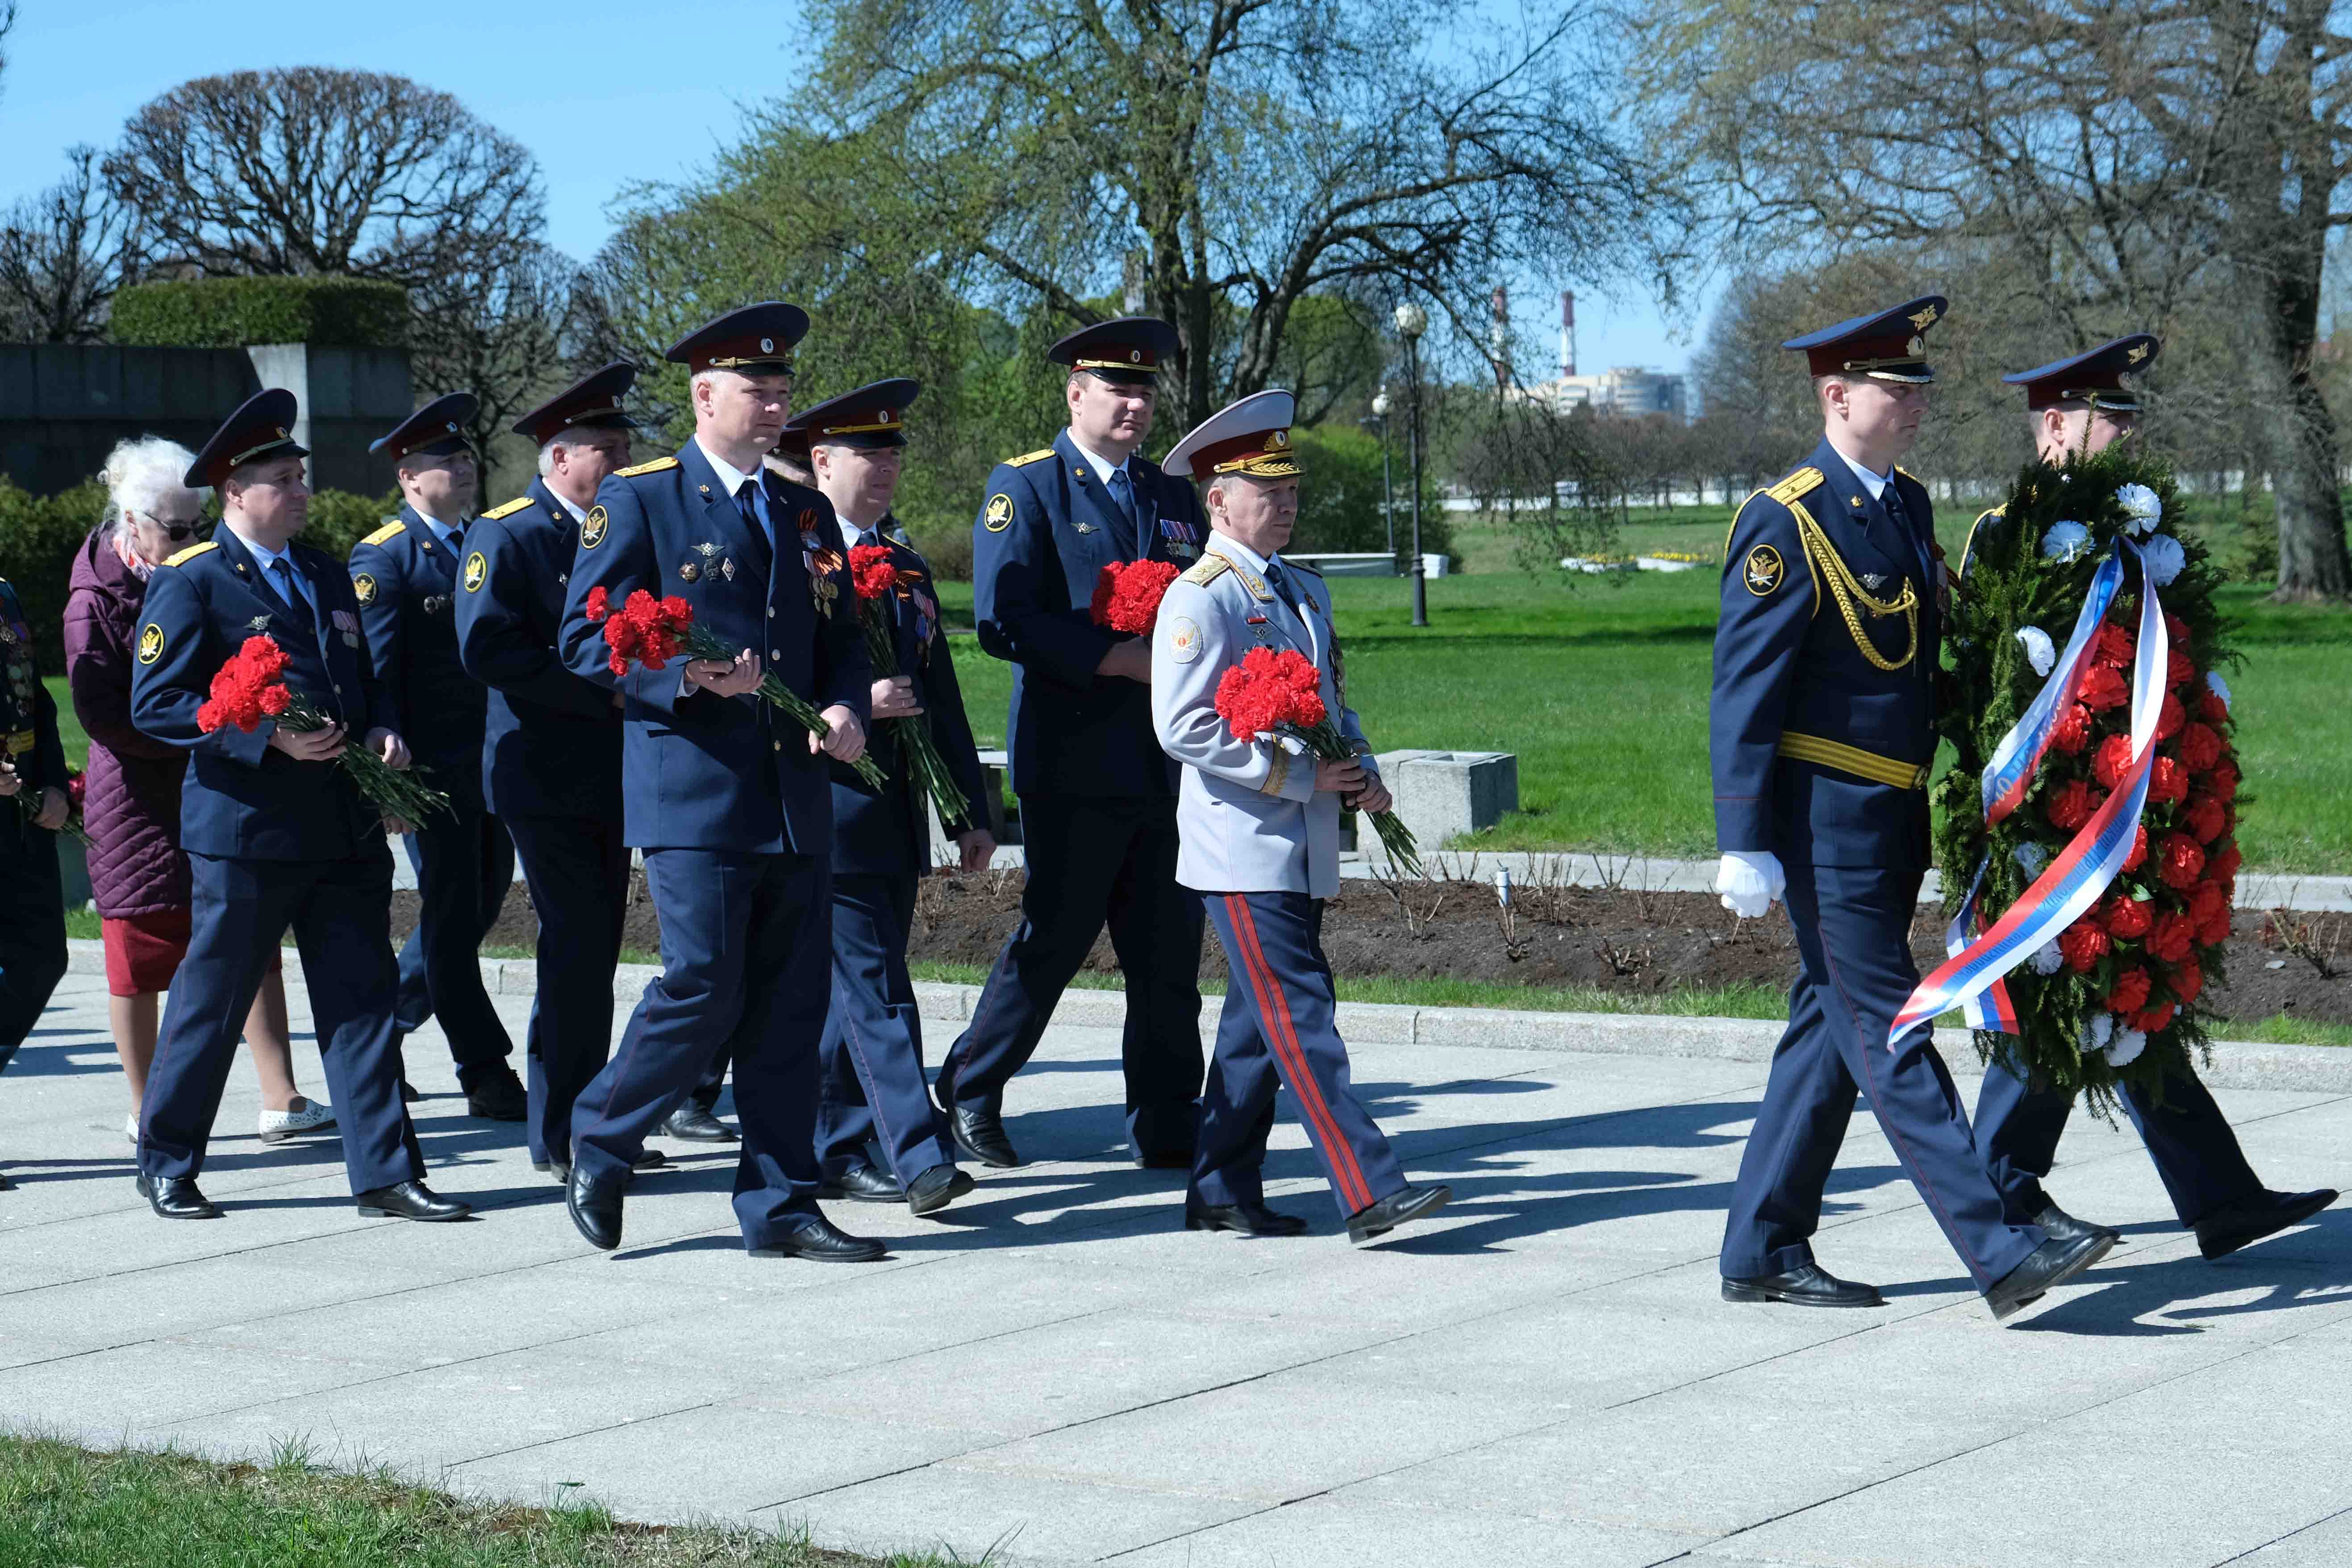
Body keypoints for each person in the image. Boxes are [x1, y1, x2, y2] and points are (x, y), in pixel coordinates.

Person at [1711, 297, 2105, 1322]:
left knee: (1827, 1023)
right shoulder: (1785, 520)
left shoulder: (1904, 507)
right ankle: (1998, 1246)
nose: (1915, 400)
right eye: (1897, 385)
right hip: (1819, 817)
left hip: (1891, 812)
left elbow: (1923, 663)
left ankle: (1761, 1241)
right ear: (1837, 396)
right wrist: (1742, 837)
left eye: (1920, 385)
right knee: (1890, 1024)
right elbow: (1744, 688)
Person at [1965, 334, 2336, 1260]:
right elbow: (1999, 686)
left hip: (2139, 795)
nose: (2128, 428)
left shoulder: (2137, 530)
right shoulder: (2010, 529)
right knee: (2061, 988)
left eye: (2131, 413)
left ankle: (2220, 1196)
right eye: (2110, 414)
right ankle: (1997, 1193)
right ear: (2055, 421)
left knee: (2139, 987)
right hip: (2058, 811)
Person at [555, 301, 881, 1260]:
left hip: (796, 794)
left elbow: (842, 640)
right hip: (694, 788)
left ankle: (781, 1202)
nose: (776, 405)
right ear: (704, 396)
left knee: (790, 1002)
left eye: (784, 391)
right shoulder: (642, 497)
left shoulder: (803, 506)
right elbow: (583, 636)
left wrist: (849, 706)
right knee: (702, 982)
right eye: (756, 390)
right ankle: (602, 1131)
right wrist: (684, 674)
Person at [129, 388, 465, 1222]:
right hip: (247, 829)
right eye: (284, 478)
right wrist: (262, 738)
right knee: (211, 1002)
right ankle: (168, 1161)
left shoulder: (325, 571)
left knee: (361, 1000)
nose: (303, 490)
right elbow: (158, 702)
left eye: (301, 475)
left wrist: (384, 729)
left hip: (342, 824)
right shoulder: (194, 580)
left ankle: (385, 1173)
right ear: (235, 493)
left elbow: (367, 677)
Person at [1151, 390, 1452, 1243]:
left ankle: (1217, 1188)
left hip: (1303, 838)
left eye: (1291, 489)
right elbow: (1183, 726)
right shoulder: (1200, 597)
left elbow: (1328, 698)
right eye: (1265, 489)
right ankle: (1368, 1189)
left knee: (1256, 1028)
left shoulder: (1302, 588)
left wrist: (1361, 773)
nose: (1284, 504)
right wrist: (1299, 776)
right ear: (1218, 500)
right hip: (1242, 844)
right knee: (1299, 1013)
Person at [936, 317, 1210, 1171]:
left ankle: (1167, 1121)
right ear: (1076, 394)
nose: (1135, 404)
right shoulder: (1030, 487)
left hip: (1166, 761)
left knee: (1167, 952)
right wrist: (1111, 657)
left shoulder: (1169, 497)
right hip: (1074, 758)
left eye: (1146, 390)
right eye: (1118, 388)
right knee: (1053, 940)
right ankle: (971, 1088)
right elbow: (1001, 620)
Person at [64, 437, 331, 1147]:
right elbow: (105, 710)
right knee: (140, 949)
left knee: (248, 935)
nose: (189, 539)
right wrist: (207, 740)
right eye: (176, 529)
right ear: (132, 523)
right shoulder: (94, 599)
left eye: (196, 525)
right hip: (140, 788)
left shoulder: (204, 573)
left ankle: (281, 1092)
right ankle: (147, 1104)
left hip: (215, 772)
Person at [457, 363, 678, 1183]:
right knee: (576, 947)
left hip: (616, 770)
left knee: (596, 948)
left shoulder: (627, 524)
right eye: (605, 448)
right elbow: (487, 648)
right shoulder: (510, 533)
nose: (622, 460)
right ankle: (563, 1130)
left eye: (624, 445)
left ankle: (588, 1119)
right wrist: (603, 694)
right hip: (544, 774)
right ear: (559, 459)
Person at [788, 379, 993, 1216]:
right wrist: (850, 704)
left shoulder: (903, 563)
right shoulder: (790, 552)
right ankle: (918, 1155)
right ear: (821, 461)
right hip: (824, 801)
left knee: (862, 988)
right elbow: (764, 674)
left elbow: (939, 692)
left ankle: (837, 1148)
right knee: (877, 990)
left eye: (893, 452)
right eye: (866, 453)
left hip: (896, 809)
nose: (884, 467)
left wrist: (969, 808)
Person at [350, 396, 527, 1122]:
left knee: (478, 905)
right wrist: (384, 770)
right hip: (429, 771)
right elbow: (377, 672)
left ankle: (381, 1030)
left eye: (467, 458)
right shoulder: (385, 555)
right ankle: (484, 1069)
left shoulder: (482, 541)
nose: (463, 469)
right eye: (446, 461)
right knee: (455, 913)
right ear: (408, 475)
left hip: (491, 761)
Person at [0, 566, 71, 1191]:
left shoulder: (5, 592)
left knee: (43, 956)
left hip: (19, 811)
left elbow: (35, 701)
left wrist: (53, 779)